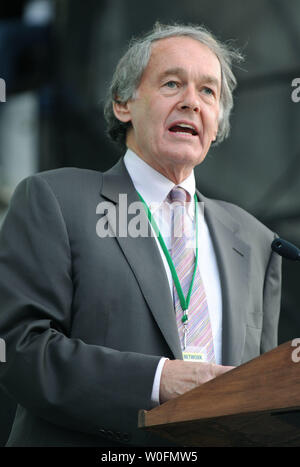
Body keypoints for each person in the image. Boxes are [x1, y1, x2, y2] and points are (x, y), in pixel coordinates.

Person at [0, 22, 281, 447]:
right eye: (172, 83)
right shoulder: (54, 199)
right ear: (122, 104)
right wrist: (158, 381)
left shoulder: (256, 239)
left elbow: (261, 393)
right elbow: (19, 350)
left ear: (217, 121)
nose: (192, 102)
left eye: (208, 92)